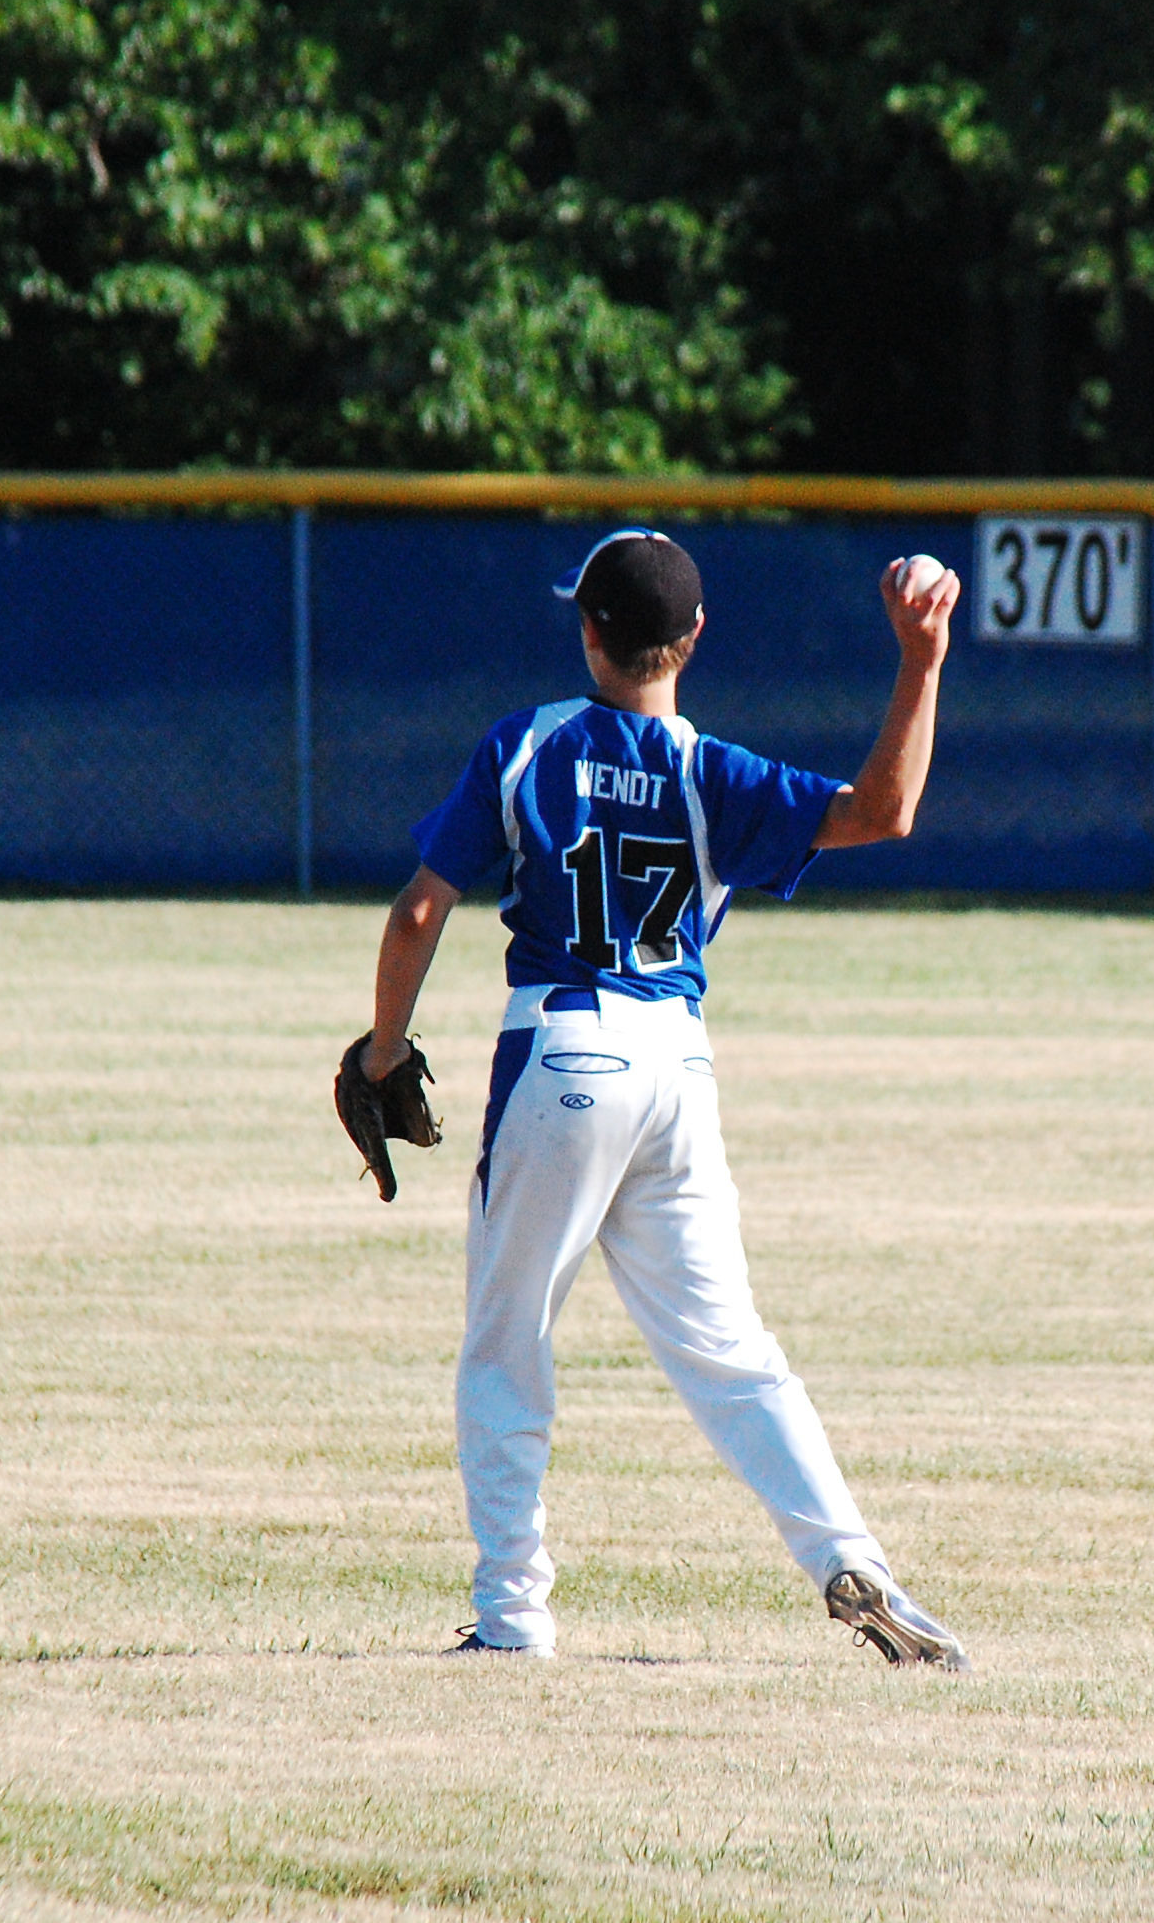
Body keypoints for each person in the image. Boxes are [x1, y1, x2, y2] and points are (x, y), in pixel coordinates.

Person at [356, 529, 969, 1667]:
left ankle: (513, 1617)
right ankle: (854, 1559)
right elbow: (885, 810)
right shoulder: (711, 773)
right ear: (693, 636)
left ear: (589, 632)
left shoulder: (526, 742)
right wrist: (921, 659)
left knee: (506, 1345)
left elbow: (419, 912)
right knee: (731, 1351)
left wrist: (386, 1049)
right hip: (677, 1070)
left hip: (561, 1054)